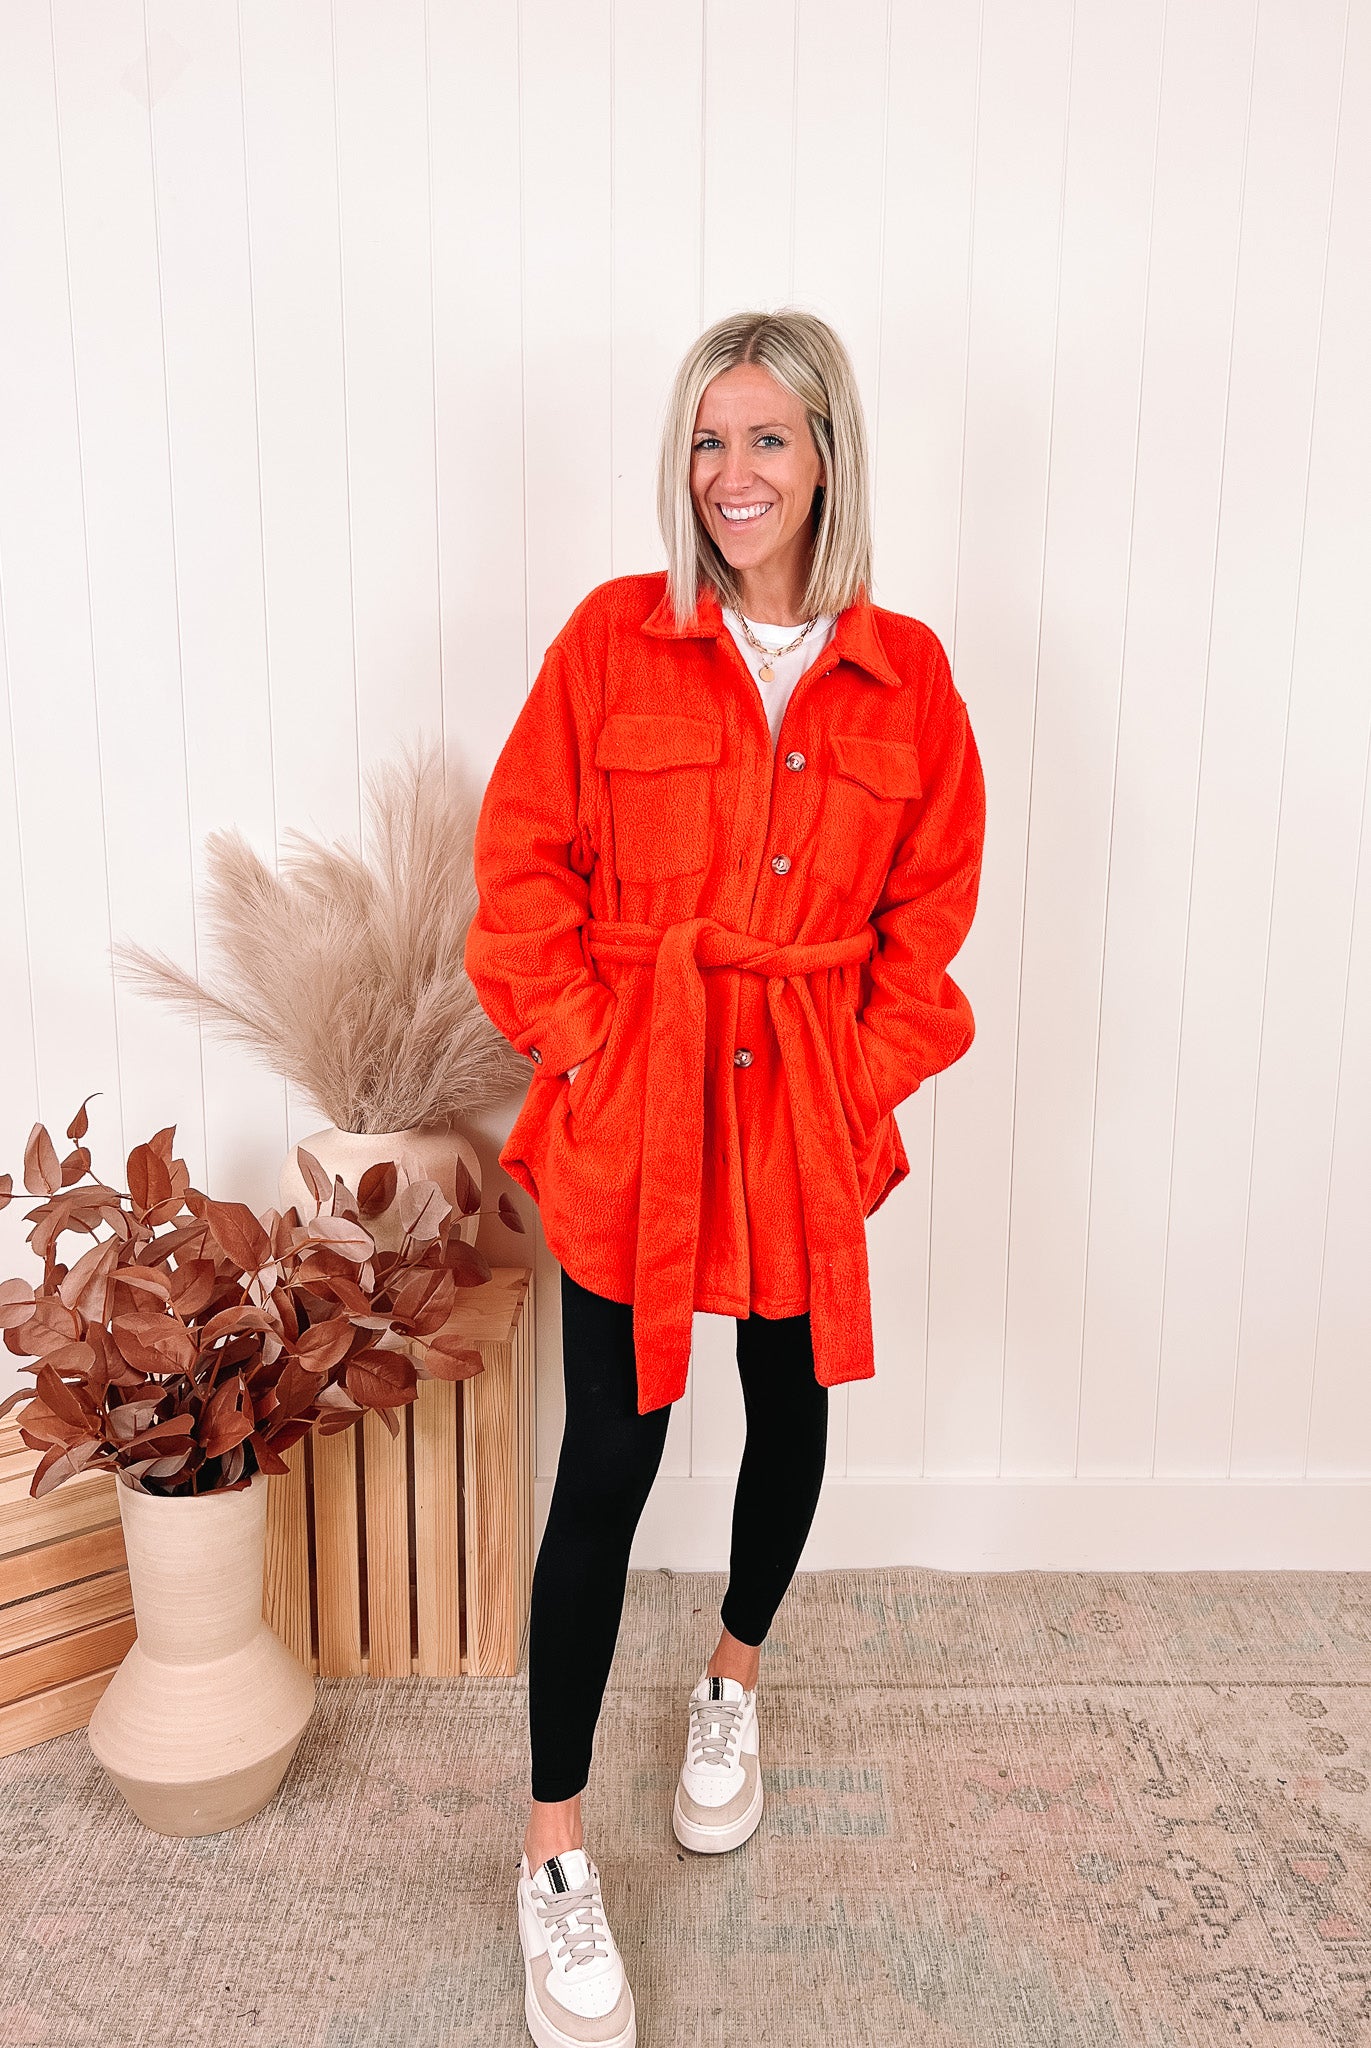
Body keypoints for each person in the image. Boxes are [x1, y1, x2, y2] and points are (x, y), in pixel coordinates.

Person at [463, 306, 986, 2048]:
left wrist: (857, 1077)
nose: (731, 474)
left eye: (767, 438)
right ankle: (551, 1850)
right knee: (607, 1459)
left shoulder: (908, 676)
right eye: (707, 439)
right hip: (640, 1102)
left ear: (828, 456)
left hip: (799, 1102)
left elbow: (931, 914)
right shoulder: (612, 642)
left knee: (787, 1399)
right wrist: (591, 1047)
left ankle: (732, 1678)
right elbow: (521, 866)